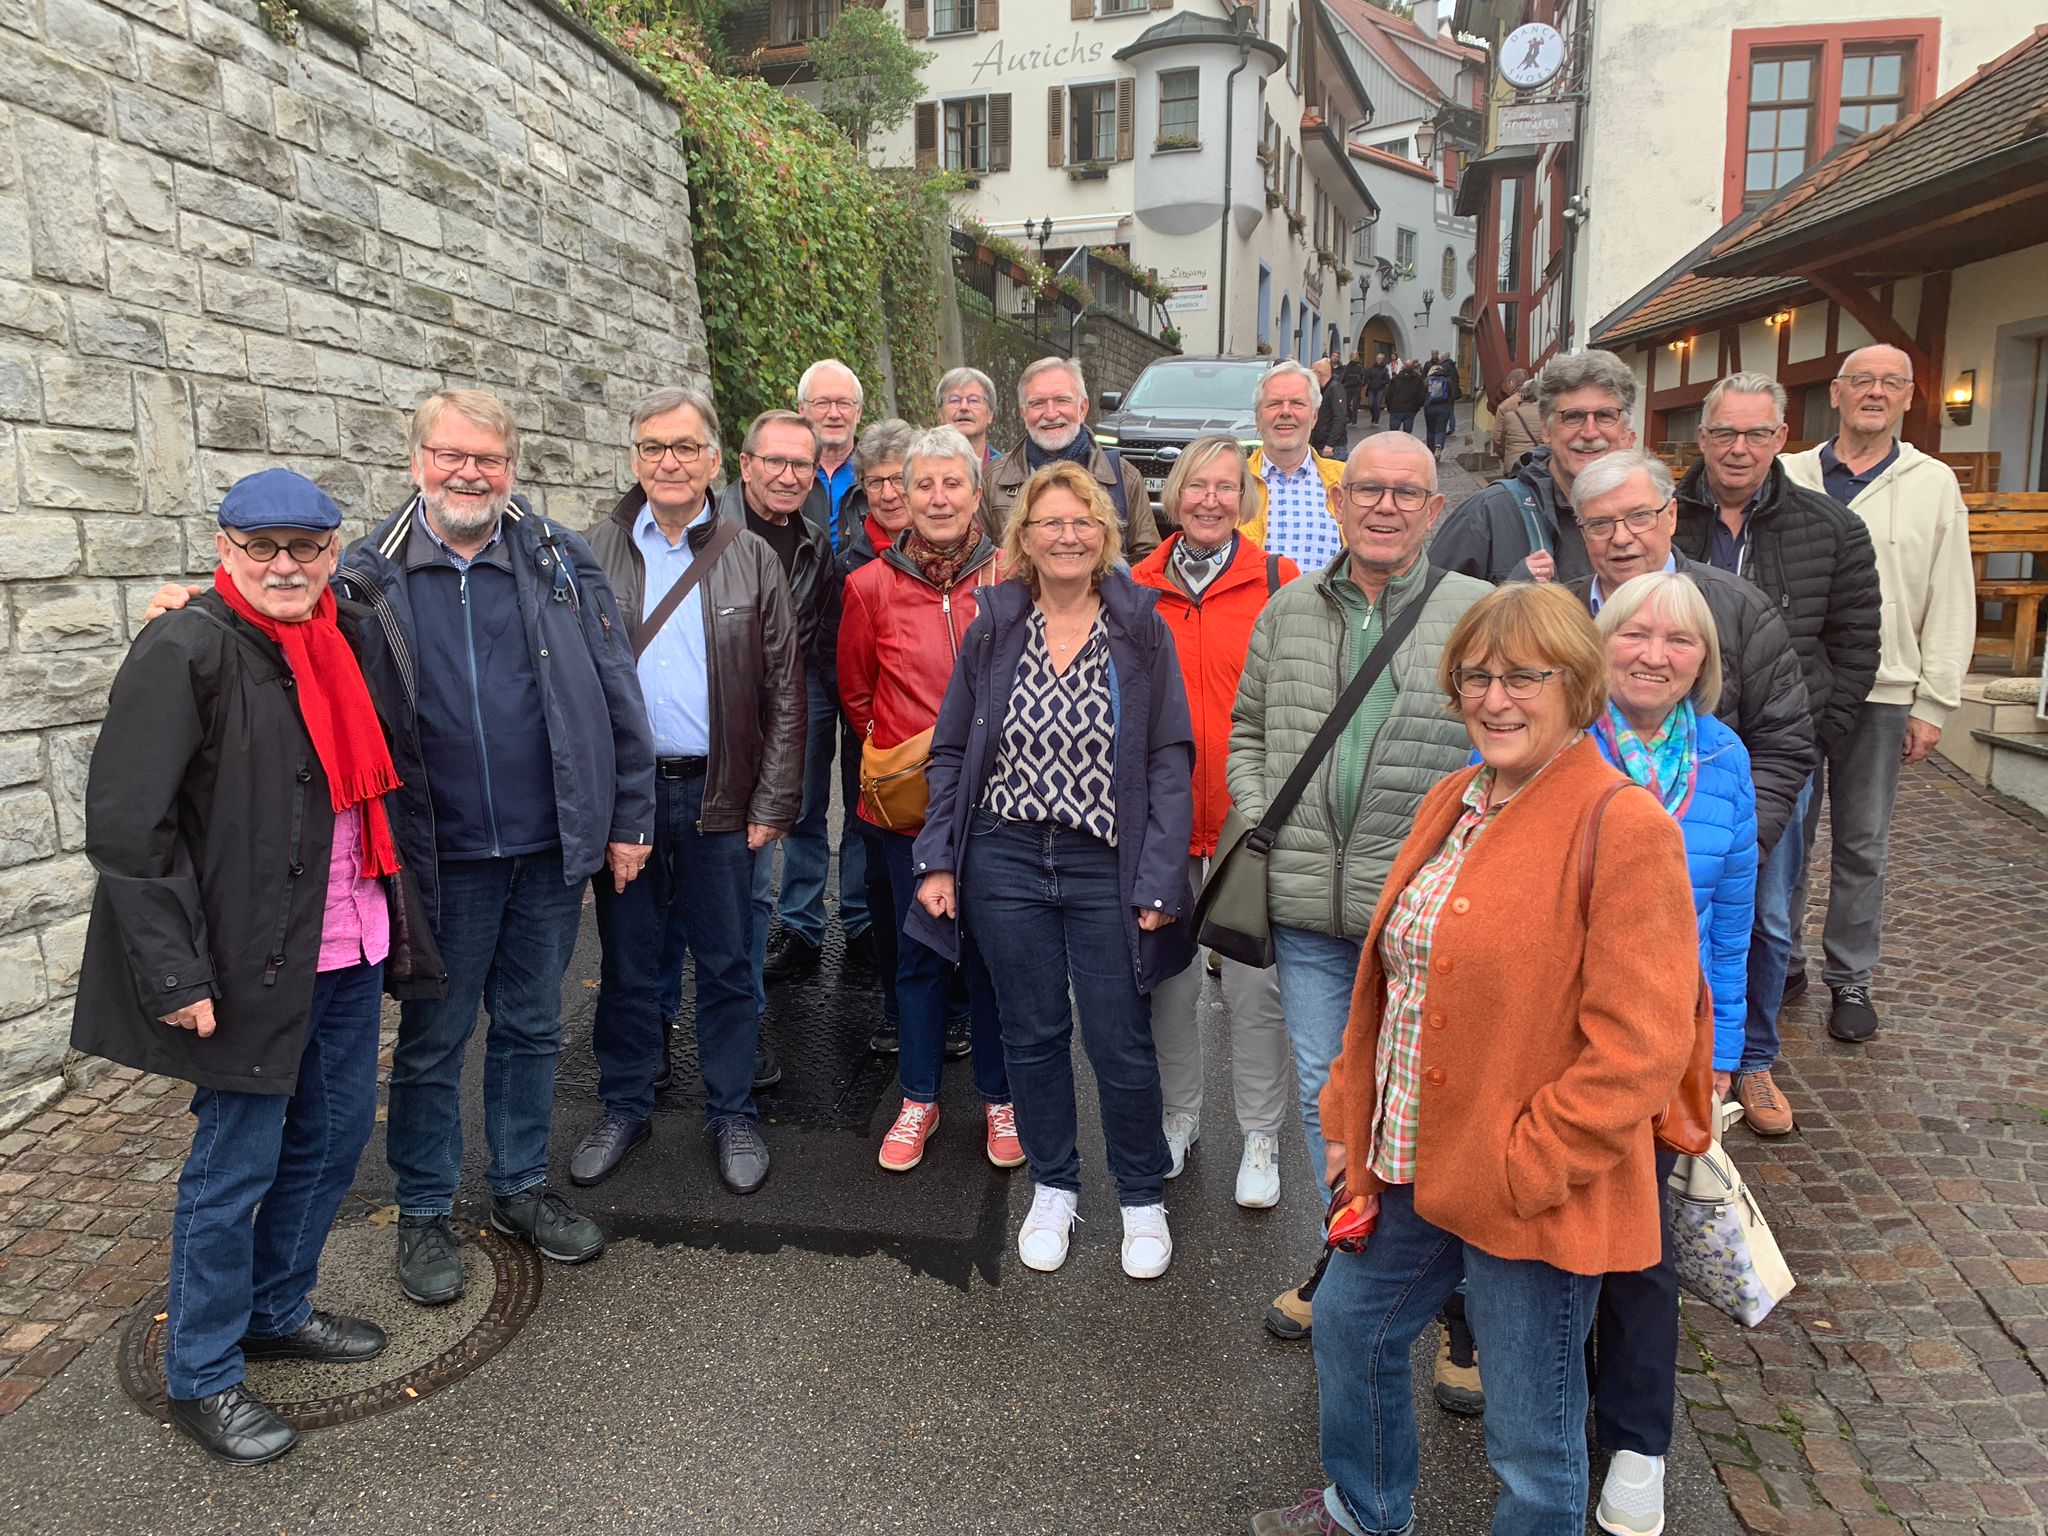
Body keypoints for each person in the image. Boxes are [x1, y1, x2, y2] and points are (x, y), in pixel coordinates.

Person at [139, 391, 656, 1307]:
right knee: (432, 1042)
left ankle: (520, 1188)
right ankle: (423, 1209)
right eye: (452, 455)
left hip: (547, 848)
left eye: (488, 458)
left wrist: (629, 815)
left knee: (532, 1027)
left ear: (511, 468)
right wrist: (192, 605)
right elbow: (274, 611)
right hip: (435, 858)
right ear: (417, 462)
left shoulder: (558, 558)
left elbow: (617, 685)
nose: (470, 473)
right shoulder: (363, 577)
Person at [1250, 582, 1708, 1536]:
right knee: (1350, 1330)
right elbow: (1392, 985)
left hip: (1531, 1189)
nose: (1494, 699)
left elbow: (1642, 1046)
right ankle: (1365, 1509)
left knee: (1532, 1439)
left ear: (1576, 685)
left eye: (1523, 678)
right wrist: (1346, 1117)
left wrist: (1529, 1164)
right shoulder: (1452, 800)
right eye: (1475, 677)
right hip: (1416, 1159)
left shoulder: (1624, 826)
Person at [75, 470, 444, 1465]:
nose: (285, 565)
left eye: (305, 547)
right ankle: (200, 1371)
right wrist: (175, 973)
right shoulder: (185, 647)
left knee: (330, 1140)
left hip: (349, 937)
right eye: (261, 546)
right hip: (245, 961)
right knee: (234, 1164)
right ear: (224, 548)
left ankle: (277, 1307)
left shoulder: (345, 631)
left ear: (332, 551)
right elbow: (129, 828)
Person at [1227, 431, 1490, 1340]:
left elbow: (1511, 747)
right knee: (1326, 1096)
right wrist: (1265, 818)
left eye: (1405, 493)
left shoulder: (1479, 613)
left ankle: (1453, 1304)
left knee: (1430, 1102)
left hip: (1423, 911)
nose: (1385, 506)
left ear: (1434, 509)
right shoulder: (1288, 608)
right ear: (1338, 503)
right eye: (1368, 489)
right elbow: (1249, 727)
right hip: (1308, 908)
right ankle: (1350, 1254)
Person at [910, 462, 1197, 1278]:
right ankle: (1055, 1186)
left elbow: (1170, 757)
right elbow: (952, 748)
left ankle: (1140, 1196)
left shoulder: (1139, 628)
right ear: (1025, 540)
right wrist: (938, 857)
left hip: (1105, 860)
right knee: (1032, 1035)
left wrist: (1160, 876)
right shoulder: (996, 626)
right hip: (1004, 855)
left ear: (1104, 536)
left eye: (1082, 523)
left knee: (1119, 1038)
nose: (1067, 537)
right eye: (1050, 524)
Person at [574, 386, 805, 1196]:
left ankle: (732, 1110)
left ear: (713, 460)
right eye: (652, 447)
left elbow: (784, 690)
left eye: (684, 447)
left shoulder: (751, 556)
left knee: (728, 964)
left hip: (721, 794)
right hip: (629, 799)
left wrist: (772, 803)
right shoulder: (591, 550)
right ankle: (625, 1104)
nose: (668, 462)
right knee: (630, 964)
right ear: (635, 458)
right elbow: (572, 685)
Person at [1581, 569, 1756, 1536]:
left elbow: (1731, 925)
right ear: (1599, 644)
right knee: (1550, 1240)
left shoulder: (1724, 757)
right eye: (1634, 634)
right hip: (1560, 1035)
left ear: (1703, 661)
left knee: (1642, 1252)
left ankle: (1637, 1444)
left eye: (1678, 640)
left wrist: (1720, 1054)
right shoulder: (1560, 740)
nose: (1654, 655)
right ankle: (1548, 1418)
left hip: (1666, 1046)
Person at [1676, 372, 1881, 1135]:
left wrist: (1812, 739)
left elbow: (1855, 645)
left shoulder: (1831, 528)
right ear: (1702, 438)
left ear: (1782, 439)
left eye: (1757, 433)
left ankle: (1754, 1058)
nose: (1740, 448)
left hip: (1774, 751)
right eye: (1725, 432)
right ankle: (1676, 1053)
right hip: (1680, 748)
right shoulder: (1666, 517)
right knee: (1678, 905)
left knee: (1764, 914)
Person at [838, 426, 1021, 1173]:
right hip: (910, 806)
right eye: (924, 485)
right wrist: (903, 754)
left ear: (978, 492)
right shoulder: (868, 587)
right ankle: (919, 1097)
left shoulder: (1014, 574)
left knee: (993, 958)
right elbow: (857, 692)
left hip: (1004, 800)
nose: (939, 498)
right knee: (917, 953)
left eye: (953, 483)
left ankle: (1000, 1097)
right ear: (902, 497)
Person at [1781, 344, 1974, 1044]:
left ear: (1908, 398)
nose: (1875, 392)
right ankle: (1782, 961)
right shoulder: (1790, 473)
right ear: (1835, 392)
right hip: (1795, 686)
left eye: (1891, 383)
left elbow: (1951, 594)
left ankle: (1851, 976)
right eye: (1862, 380)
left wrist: (1934, 701)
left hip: (1885, 692)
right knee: (1784, 836)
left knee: (1863, 842)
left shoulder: (1933, 483)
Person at [1131, 436, 1300, 1207]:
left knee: (1256, 990)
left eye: (1225, 487)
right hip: (1163, 822)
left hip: (1248, 825)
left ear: (1245, 498)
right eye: (1196, 485)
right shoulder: (1135, 587)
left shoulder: (1279, 582)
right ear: (1174, 495)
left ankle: (1260, 1134)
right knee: (1169, 984)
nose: (1209, 500)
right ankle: (1180, 1117)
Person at [1565, 451, 1812, 862]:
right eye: (1600, 524)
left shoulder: (1738, 608)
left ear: (1671, 515)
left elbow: (1781, 743)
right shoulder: (1559, 615)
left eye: (1639, 517)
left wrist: (1736, 847)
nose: (1621, 537)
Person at [723, 410, 844, 1011]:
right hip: (719, 711)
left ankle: (748, 1004)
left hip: (788, 705)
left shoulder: (813, 543)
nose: (789, 476)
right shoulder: (705, 529)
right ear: (745, 465)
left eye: (801, 465)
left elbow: (817, 629)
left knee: (785, 826)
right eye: (775, 461)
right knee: (717, 861)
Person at [836, 418, 918, 1046]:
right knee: (885, 882)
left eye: (899, 479)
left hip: (947, 749)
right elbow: (848, 674)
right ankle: (899, 1008)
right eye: (876, 482)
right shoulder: (849, 561)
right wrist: (879, 737)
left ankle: (958, 1007)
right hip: (876, 751)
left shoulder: (965, 550)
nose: (889, 493)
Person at [1431, 347, 1640, 585]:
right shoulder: (1487, 515)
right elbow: (1430, 605)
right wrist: (1512, 595)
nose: (1590, 432)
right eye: (1573, 416)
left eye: (1605, 415)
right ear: (1546, 430)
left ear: (1627, 433)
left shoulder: (1656, 516)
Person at [982, 356, 1160, 561]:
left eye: (1062, 400)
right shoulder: (993, 480)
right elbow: (979, 562)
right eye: (1038, 403)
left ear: (1082, 408)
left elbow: (1148, 563)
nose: (1050, 414)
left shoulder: (1124, 478)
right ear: (1023, 413)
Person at [1240, 360, 1346, 573]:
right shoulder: (1233, 482)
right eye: (1274, 404)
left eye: (1297, 403)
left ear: (1314, 417)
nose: (1286, 412)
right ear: (1258, 419)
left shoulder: (1347, 482)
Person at [797, 357, 863, 546]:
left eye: (844, 403)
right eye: (822, 403)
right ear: (802, 410)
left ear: (858, 412)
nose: (834, 414)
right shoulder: (784, 473)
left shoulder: (877, 472)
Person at [936, 366, 1001, 466]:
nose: (964, 407)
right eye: (954, 400)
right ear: (940, 413)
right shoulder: (922, 467)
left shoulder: (1007, 469)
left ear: (990, 414)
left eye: (974, 400)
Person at [1489, 368, 1542, 471]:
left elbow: (1497, 439)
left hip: (1514, 463)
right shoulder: (1543, 406)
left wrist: (1506, 455)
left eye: (1507, 384)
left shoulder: (1505, 406)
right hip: (1538, 462)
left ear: (1511, 383)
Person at [1310, 357, 1349, 458]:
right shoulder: (1322, 390)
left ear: (1318, 373)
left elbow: (1340, 418)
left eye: (1312, 372)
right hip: (1321, 444)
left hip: (1332, 447)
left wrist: (1330, 444)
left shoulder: (1335, 389)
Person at [1422, 353, 1458, 457]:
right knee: (1441, 429)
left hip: (1429, 407)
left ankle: (1430, 450)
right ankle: (1439, 446)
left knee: (1430, 430)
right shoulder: (1448, 380)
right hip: (1444, 407)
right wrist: (1449, 402)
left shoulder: (1427, 381)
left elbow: (1421, 394)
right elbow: (1453, 394)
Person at [1384, 357, 1426, 435]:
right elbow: (1422, 394)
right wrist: (1417, 406)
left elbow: (1389, 393)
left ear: (1404, 366)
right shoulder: (1417, 378)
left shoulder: (1396, 378)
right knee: (1407, 434)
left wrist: (1389, 406)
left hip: (1396, 408)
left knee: (1393, 433)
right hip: (1410, 409)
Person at [1365, 352, 1392, 425]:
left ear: (1382, 359)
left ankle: (1376, 419)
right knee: (1371, 404)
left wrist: (1381, 383)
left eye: (1380, 358)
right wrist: (1369, 383)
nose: (1378, 359)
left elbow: (1387, 379)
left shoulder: (1385, 369)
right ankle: (1373, 416)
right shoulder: (1371, 368)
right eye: (1377, 358)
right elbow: (1367, 377)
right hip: (1371, 388)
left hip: (1380, 389)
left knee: (1377, 404)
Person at [1340, 353, 1366, 423]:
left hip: (1357, 387)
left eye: (1356, 356)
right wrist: (1343, 384)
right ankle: (1350, 416)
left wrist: (1361, 384)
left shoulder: (1360, 366)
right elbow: (1344, 376)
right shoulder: (1347, 366)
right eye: (1353, 356)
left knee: (1355, 404)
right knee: (1346, 403)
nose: (1354, 358)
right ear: (1350, 357)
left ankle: (1354, 420)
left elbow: (1364, 376)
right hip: (1348, 386)